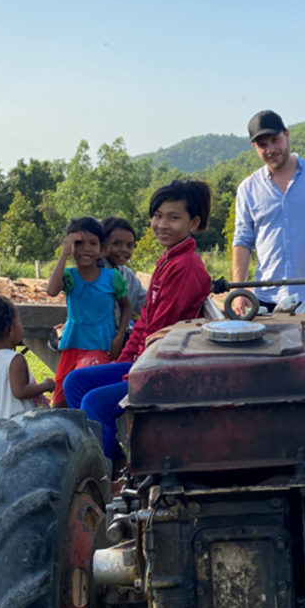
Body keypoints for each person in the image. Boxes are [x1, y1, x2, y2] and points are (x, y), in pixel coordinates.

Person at [64, 179, 212, 463]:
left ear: (193, 222)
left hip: (169, 368)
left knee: (95, 402)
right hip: (149, 360)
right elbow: (145, 320)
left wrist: (132, 372)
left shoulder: (186, 267)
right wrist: (128, 358)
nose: (162, 224)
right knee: (75, 382)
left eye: (173, 218)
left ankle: (109, 476)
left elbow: (163, 332)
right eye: (157, 216)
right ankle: (111, 464)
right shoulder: (167, 260)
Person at [231, 109, 305, 342]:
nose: (271, 149)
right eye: (262, 145)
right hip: (265, 300)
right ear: (254, 148)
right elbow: (243, 240)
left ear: (287, 135)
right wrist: (240, 289)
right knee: (269, 370)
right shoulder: (248, 188)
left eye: (275, 140)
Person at [46, 217, 131, 407]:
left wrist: (119, 336)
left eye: (93, 243)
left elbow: (126, 306)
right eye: (79, 243)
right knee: (59, 401)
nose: (86, 249)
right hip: (72, 344)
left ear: (101, 248)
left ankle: (88, 433)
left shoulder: (111, 278)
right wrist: (63, 254)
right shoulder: (70, 276)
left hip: (99, 345)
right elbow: (51, 290)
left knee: (83, 389)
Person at [0, 294, 55, 419]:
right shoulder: (14, 359)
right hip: (23, 425)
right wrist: (46, 385)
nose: (21, 326)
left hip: (3, 428)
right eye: (18, 321)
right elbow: (20, 391)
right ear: (8, 329)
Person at [101, 216, 148, 319]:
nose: (124, 249)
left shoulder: (128, 275)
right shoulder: (93, 272)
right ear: (102, 244)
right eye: (116, 243)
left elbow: (146, 304)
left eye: (129, 245)